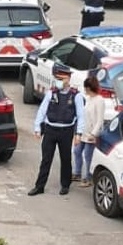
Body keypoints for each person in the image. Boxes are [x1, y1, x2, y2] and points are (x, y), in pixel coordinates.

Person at [27, 67, 85, 196]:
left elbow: (81, 116)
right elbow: (42, 110)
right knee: (46, 159)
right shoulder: (51, 93)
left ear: (68, 79)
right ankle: (39, 186)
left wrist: (78, 134)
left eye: (61, 79)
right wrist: (37, 127)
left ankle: (65, 185)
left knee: (66, 159)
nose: (58, 82)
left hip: (66, 130)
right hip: (50, 129)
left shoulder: (76, 95)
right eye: (57, 79)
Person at [72, 75, 106, 187]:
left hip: (91, 134)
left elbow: (100, 120)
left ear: (89, 88)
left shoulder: (99, 101)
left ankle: (88, 177)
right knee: (77, 151)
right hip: (84, 132)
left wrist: (94, 134)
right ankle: (77, 173)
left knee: (88, 155)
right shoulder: (88, 99)